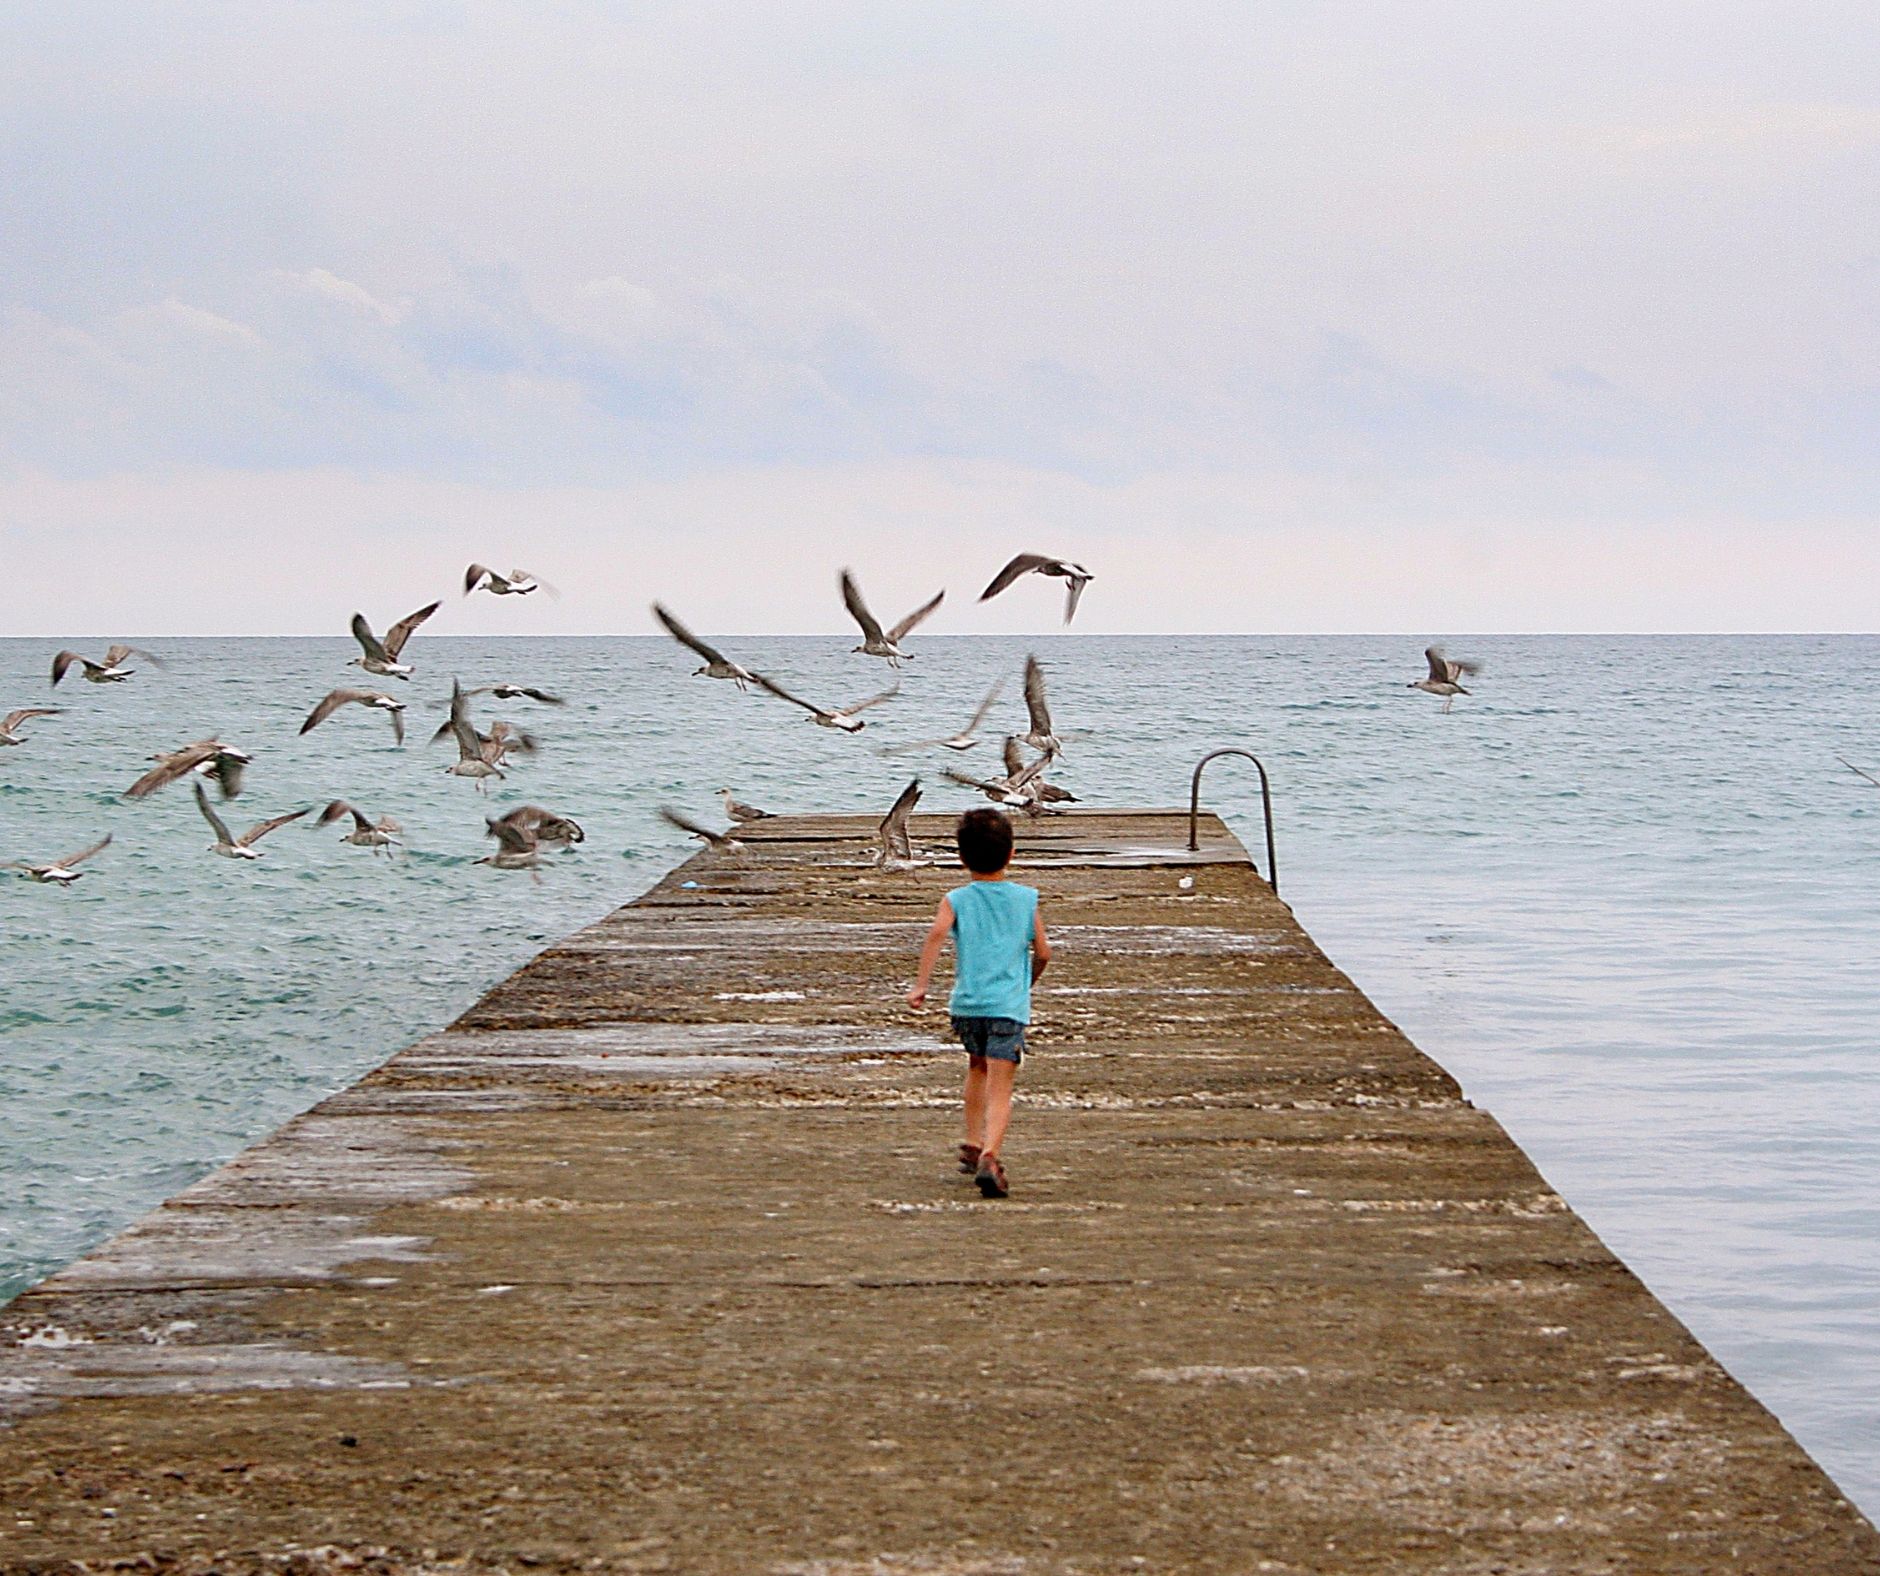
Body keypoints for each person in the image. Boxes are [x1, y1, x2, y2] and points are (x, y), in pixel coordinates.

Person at [907, 807, 1052, 1198]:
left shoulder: (955, 899)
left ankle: (972, 1141)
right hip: (1007, 1007)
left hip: (968, 1006)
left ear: (961, 857)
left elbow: (936, 934)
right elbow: (1043, 952)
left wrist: (921, 986)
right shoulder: (1026, 899)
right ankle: (990, 1154)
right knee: (1001, 1083)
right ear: (1012, 853)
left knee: (976, 1067)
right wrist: (1027, 983)